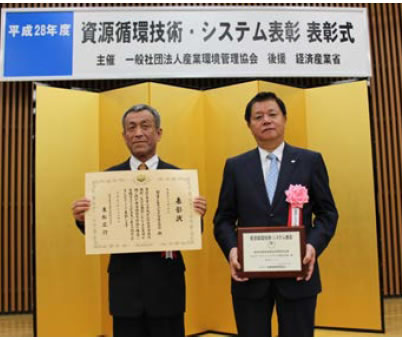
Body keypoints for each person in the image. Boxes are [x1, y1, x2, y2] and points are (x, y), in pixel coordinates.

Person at [72, 104, 207, 337]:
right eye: (131, 127)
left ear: (158, 133)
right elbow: (100, 231)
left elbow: (192, 233)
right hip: (125, 286)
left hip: (167, 285)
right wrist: (83, 219)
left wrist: (197, 216)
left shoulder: (179, 179)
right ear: (124, 136)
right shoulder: (106, 180)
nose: (138, 133)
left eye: (146, 126)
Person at [213, 92, 338, 337]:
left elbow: (327, 214)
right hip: (249, 279)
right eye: (258, 117)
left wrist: (312, 246)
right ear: (249, 125)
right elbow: (223, 220)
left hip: (299, 277)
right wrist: (232, 250)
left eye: (272, 114)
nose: (266, 120)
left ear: (284, 118)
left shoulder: (310, 161)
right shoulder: (235, 166)